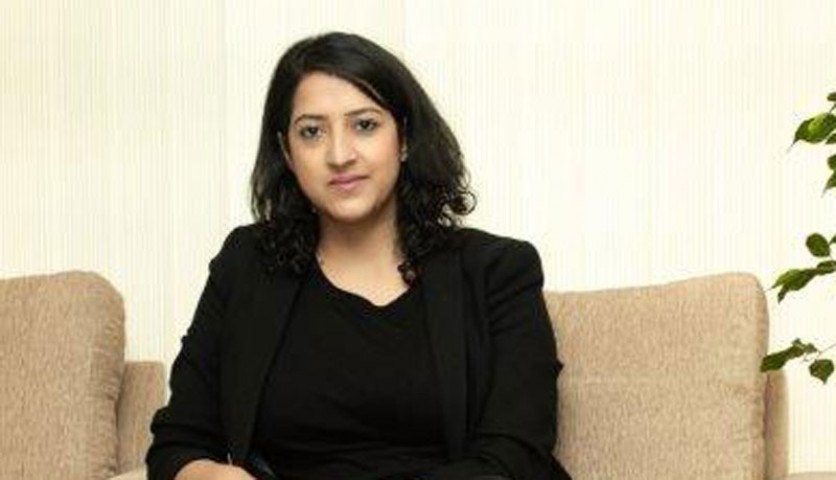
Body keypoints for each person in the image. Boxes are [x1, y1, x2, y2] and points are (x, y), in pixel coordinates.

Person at [145, 31, 572, 480]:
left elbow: (515, 456)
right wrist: (210, 475)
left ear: (404, 138)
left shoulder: (498, 270)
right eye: (312, 132)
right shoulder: (247, 263)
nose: (339, 154)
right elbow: (180, 442)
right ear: (287, 152)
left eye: (364, 125)